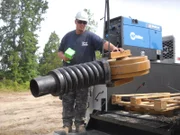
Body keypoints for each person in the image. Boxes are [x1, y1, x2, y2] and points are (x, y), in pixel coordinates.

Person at [58, 10, 124, 134]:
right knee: (68, 101)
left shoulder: (90, 36)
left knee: (82, 101)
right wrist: (63, 57)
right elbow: (59, 51)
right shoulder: (68, 37)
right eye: (80, 22)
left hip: (85, 77)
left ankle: (79, 124)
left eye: (84, 23)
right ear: (75, 22)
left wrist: (115, 49)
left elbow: (104, 43)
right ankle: (66, 125)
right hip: (69, 76)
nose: (82, 25)